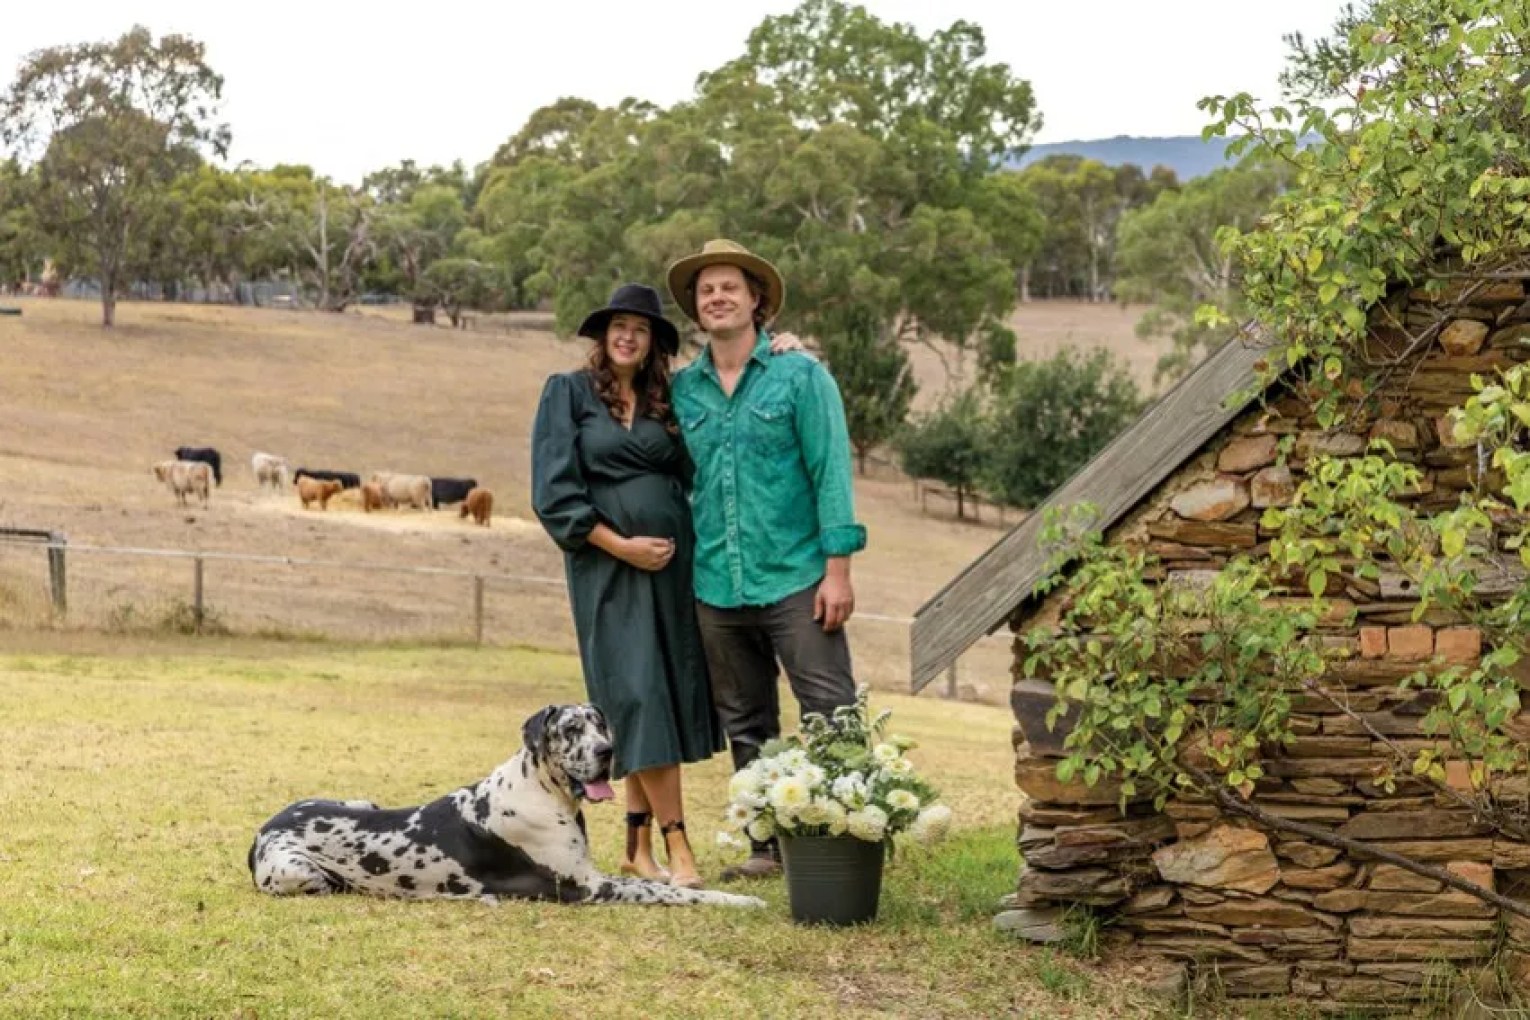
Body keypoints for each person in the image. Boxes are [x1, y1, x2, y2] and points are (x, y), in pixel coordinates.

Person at [666, 239, 866, 880]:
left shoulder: (801, 376)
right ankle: (767, 848)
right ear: (696, 309)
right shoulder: (683, 392)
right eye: (706, 290)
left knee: (829, 709)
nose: (717, 296)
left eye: (730, 287)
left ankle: (850, 835)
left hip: (797, 578)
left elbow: (831, 471)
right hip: (717, 584)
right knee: (746, 719)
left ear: (757, 300)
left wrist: (838, 570)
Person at [531, 283, 721, 889]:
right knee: (637, 692)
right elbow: (554, 492)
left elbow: (704, 464)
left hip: (672, 571)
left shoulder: (670, 402)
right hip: (607, 568)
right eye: (618, 324)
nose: (627, 335)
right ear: (603, 333)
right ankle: (679, 845)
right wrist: (622, 545)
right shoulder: (569, 394)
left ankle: (637, 849)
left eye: (640, 327)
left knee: (651, 697)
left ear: (654, 342)